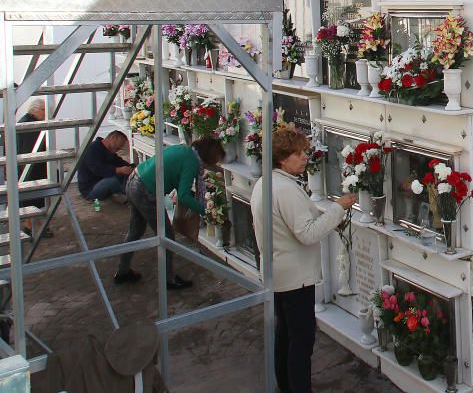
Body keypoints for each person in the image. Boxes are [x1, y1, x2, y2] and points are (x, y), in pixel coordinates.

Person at [251, 126, 356, 393]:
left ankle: (284, 386)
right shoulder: (284, 189)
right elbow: (307, 234)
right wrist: (338, 208)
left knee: (285, 334)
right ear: (282, 158)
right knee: (301, 340)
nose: (305, 157)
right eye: (298, 153)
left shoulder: (266, 182)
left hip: (278, 273)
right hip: (294, 278)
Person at [114, 137, 225, 289]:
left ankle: (122, 271)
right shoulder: (192, 162)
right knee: (166, 236)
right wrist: (204, 211)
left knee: (135, 231)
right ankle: (169, 279)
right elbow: (183, 195)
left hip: (134, 180)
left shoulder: (184, 150)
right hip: (146, 191)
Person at [78, 130, 133, 203]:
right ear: (113, 138)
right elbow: (98, 170)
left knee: (127, 175)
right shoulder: (91, 149)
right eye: (120, 145)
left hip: (101, 182)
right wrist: (119, 170)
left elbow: (118, 162)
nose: (120, 148)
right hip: (90, 190)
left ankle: (127, 193)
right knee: (114, 180)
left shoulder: (107, 149)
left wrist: (131, 168)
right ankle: (130, 195)